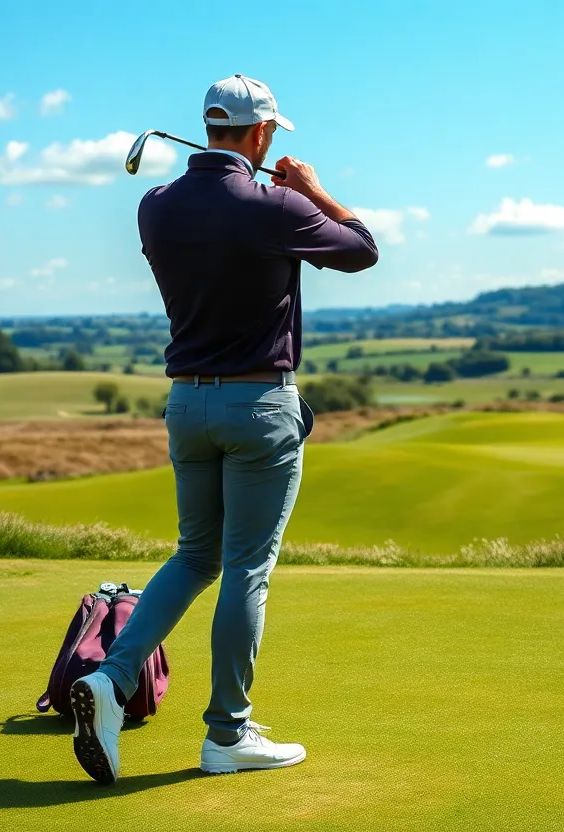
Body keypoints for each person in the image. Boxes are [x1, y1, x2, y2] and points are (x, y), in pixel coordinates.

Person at [69, 74, 379, 785]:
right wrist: (310, 188)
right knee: (246, 567)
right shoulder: (274, 205)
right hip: (259, 405)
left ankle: (111, 681)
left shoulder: (155, 205)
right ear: (263, 134)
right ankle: (227, 735)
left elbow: (214, 211)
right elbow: (362, 248)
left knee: (195, 554)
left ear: (207, 129)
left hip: (187, 406)